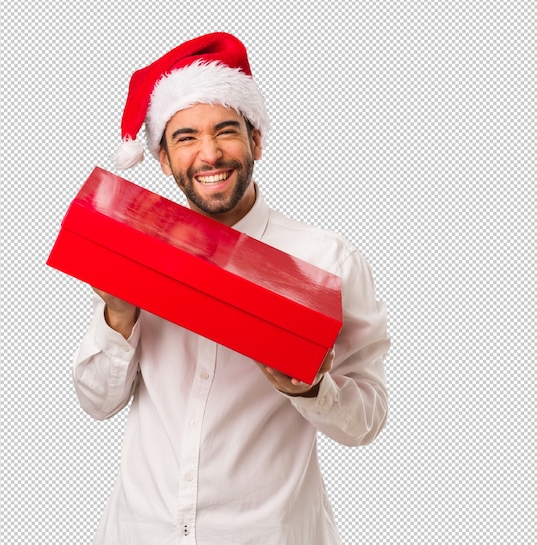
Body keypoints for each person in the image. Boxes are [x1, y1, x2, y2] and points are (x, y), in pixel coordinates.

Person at [72, 32, 389, 545]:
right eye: (186, 138)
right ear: (164, 159)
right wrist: (119, 317)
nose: (210, 154)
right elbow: (97, 403)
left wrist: (312, 390)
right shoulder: (137, 248)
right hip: (142, 531)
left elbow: (366, 422)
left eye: (226, 132)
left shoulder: (325, 261)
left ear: (256, 140)